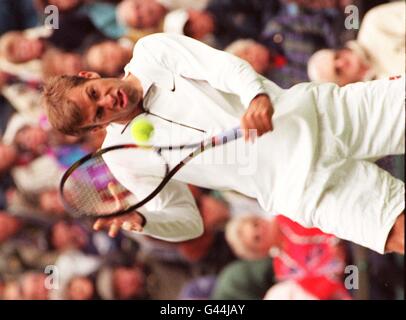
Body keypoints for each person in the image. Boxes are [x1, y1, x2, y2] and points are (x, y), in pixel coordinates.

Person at [42, 33, 404, 255]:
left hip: (321, 114)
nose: (108, 101)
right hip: (304, 189)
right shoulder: (125, 161)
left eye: (94, 92)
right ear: (95, 127)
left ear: (88, 75)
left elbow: (224, 68)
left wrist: (255, 98)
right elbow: (188, 223)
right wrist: (144, 219)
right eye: (97, 113)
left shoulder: (152, 51)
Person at [307, 1, 405, 85]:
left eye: (336, 57)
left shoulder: (374, 24)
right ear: (341, 84)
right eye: (337, 71)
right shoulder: (374, 95)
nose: (341, 63)